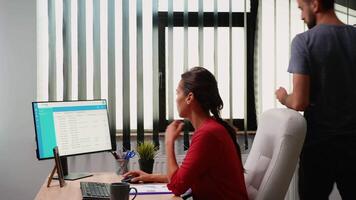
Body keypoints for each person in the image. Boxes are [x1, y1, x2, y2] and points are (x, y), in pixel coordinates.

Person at [124, 67, 248, 199]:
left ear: (189, 97)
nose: (176, 99)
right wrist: (150, 177)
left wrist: (169, 142)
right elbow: (185, 177)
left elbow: (177, 186)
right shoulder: (210, 128)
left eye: (178, 93)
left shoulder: (208, 134)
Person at [275, 0, 356, 199]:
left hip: (319, 146)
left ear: (315, 4)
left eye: (302, 8)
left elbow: (299, 102)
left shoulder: (304, 41)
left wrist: (284, 97)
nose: (301, 16)